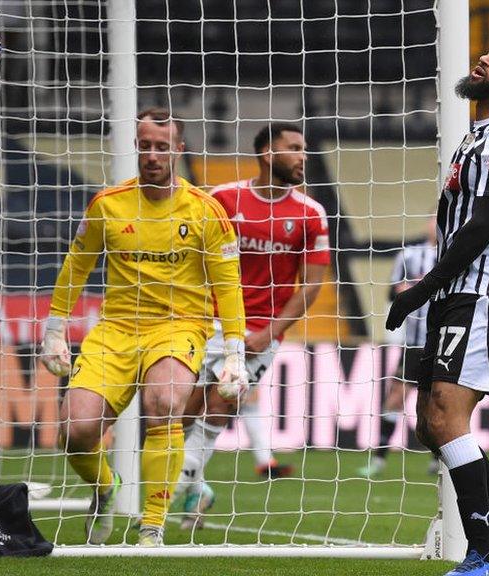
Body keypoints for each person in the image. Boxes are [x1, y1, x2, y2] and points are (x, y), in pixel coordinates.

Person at [39, 108, 247, 546]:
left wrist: (234, 354)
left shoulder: (207, 210)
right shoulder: (107, 204)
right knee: (74, 430)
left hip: (179, 327)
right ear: (137, 146)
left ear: (178, 149)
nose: (153, 155)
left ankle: (152, 525)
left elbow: (227, 285)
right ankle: (104, 489)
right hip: (116, 328)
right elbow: (76, 266)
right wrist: (54, 330)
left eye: (162, 146)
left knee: (166, 402)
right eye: (146, 145)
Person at [385, 38, 489, 576]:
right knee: (428, 424)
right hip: (458, 294)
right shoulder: (476, 137)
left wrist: (422, 288)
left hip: (485, 294)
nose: (485, 59)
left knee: (445, 416)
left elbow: (482, 226)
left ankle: (482, 553)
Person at [177, 123, 330, 529]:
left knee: (225, 400)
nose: (303, 156)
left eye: (304, 148)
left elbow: (312, 285)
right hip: (208, 322)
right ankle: (193, 487)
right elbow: (193, 260)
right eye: (294, 148)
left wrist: (270, 332)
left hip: (263, 330)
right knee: (183, 409)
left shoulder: (310, 213)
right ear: (267, 154)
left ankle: (178, 485)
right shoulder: (223, 199)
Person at [359, 217, 440, 478]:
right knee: (395, 397)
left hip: (443, 341)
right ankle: (380, 459)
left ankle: (438, 459)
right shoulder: (409, 255)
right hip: (415, 342)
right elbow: (393, 293)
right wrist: (403, 290)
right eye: (433, 219)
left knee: (438, 401)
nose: (435, 225)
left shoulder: (456, 254)